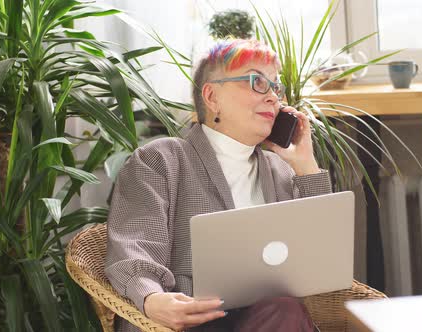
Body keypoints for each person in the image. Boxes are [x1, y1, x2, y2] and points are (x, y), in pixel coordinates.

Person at [105, 39, 332, 332]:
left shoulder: (279, 170)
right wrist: (151, 299)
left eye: (276, 87)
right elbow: (134, 246)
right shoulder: (160, 160)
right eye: (257, 82)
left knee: (284, 310)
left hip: (267, 320)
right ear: (212, 97)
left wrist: (306, 166)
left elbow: (322, 259)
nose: (273, 98)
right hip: (186, 322)